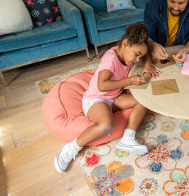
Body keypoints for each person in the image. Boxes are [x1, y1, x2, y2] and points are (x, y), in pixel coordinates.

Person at [54, 23, 152, 173]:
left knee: (143, 101)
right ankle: (71, 147)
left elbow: (148, 50)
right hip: (96, 100)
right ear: (125, 44)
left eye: (140, 57)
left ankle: (128, 137)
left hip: (114, 98)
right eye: (137, 54)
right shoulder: (110, 59)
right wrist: (129, 81)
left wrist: (147, 66)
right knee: (106, 124)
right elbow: (102, 85)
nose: (137, 60)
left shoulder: (126, 54)